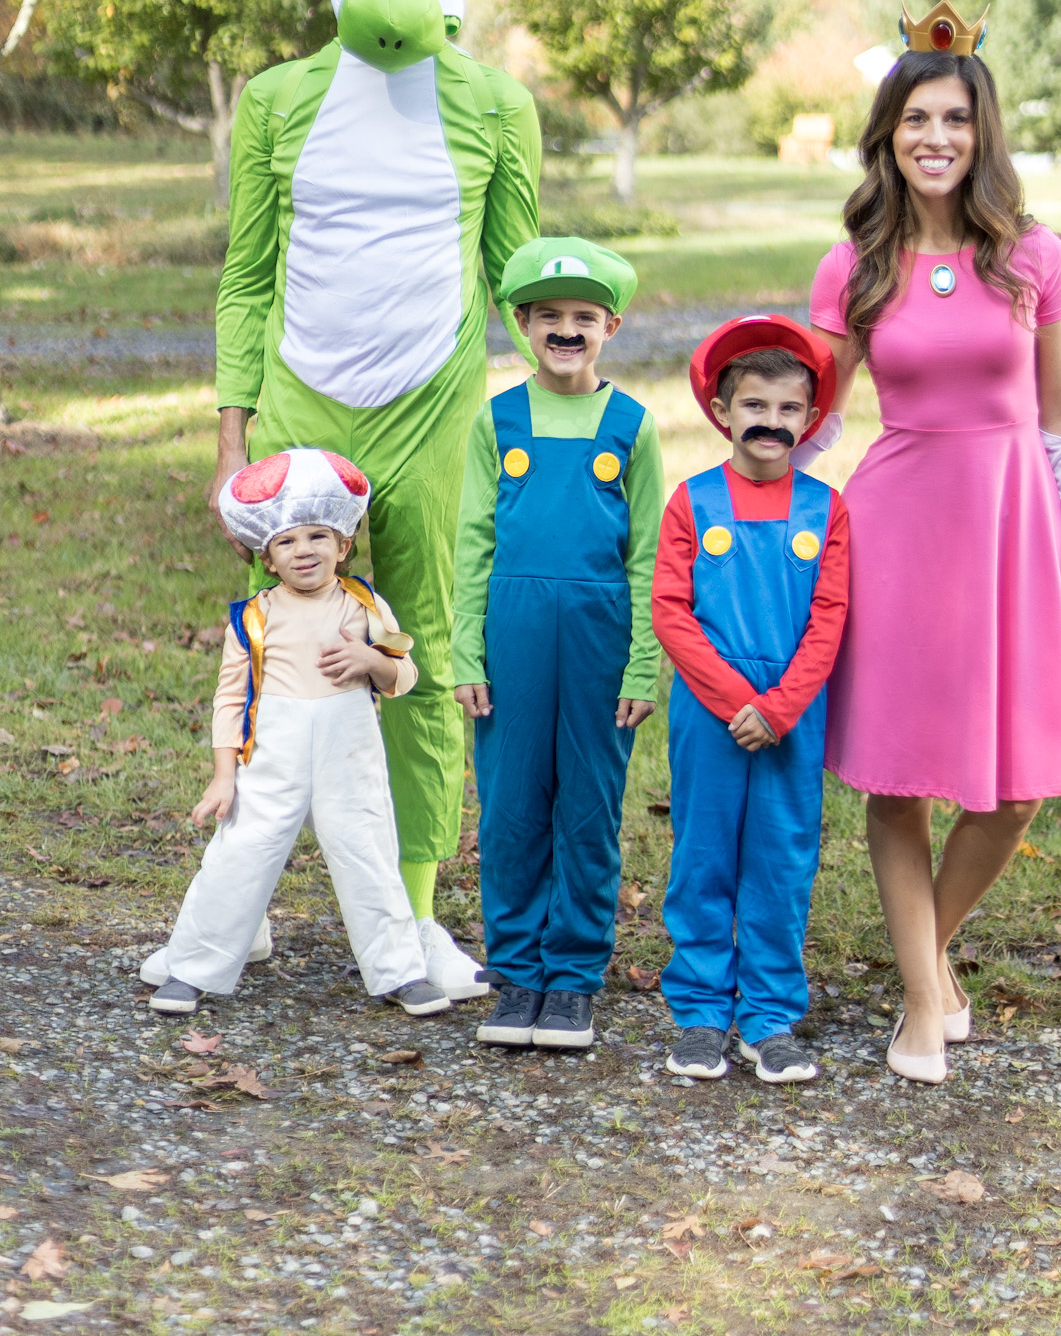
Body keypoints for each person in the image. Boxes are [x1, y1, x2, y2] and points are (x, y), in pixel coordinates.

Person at [210, 0, 540, 1001]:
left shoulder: (495, 102)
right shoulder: (277, 99)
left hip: (436, 414)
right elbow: (247, 276)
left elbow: (516, 277)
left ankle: (404, 910)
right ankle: (238, 887)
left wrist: (547, 419)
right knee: (275, 647)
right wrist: (230, 431)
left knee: (424, 654)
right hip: (303, 416)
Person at [807, 0, 1061, 1084]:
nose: (937, 138)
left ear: (983, 134)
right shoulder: (856, 264)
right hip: (894, 525)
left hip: (1011, 525)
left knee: (1011, 789)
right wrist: (752, 489)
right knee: (898, 779)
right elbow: (821, 415)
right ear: (888, 132)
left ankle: (927, 957)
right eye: (917, 118)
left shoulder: (1035, 257)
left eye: (956, 120)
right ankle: (925, 1002)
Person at [145, 449, 450, 1019]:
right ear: (267, 557)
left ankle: (399, 971)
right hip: (273, 754)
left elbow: (404, 676)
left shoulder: (363, 606)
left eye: (317, 536)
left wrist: (370, 660)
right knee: (240, 853)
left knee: (368, 852)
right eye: (287, 542)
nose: (303, 550)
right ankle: (195, 967)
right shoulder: (253, 616)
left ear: (343, 545)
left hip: (348, 749)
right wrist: (222, 775)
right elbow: (230, 699)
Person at [452, 238, 665, 1052]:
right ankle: (516, 972)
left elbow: (648, 552)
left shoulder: (631, 426)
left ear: (610, 324)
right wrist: (466, 653)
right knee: (510, 805)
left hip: (599, 632)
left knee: (586, 806)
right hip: (511, 628)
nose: (566, 329)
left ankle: (571, 975)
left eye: (583, 316)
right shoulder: (495, 420)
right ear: (521, 325)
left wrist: (644, 659)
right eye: (549, 316)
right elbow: (472, 542)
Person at [651, 318, 850, 1085]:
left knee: (780, 860)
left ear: (809, 420)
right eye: (754, 406)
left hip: (790, 717)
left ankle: (768, 1016)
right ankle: (700, 1014)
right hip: (710, 714)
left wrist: (779, 706)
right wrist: (735, 698)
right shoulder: (692, 501)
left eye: (789, 410)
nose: (771, 422)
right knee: (702, 858)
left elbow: (829, 616)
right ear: (722, 412)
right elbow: (671, 609)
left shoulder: (824, 509)